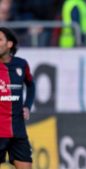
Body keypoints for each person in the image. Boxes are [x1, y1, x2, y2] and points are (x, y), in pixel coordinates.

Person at [0, 27, 35, 169]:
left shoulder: (21, 64)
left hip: (18, 131)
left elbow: (31, 85)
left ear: (9, 44)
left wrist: (27, 106)